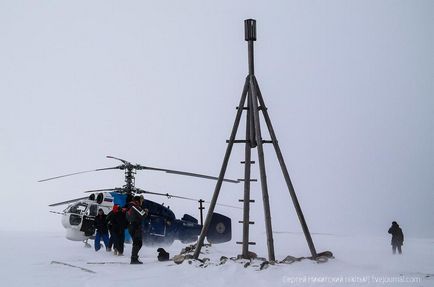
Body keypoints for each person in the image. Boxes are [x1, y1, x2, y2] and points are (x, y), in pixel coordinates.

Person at [127, 195, 148, 264]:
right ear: (137, 201)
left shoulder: (131, 207)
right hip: (135, 227)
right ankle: (134, 258)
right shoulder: (134, 207)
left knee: (138, 242)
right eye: (140, 201)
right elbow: (143, 215)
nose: (141, 203)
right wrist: (145, 211)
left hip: (133, 226)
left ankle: (134, 257)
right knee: (137, 242)